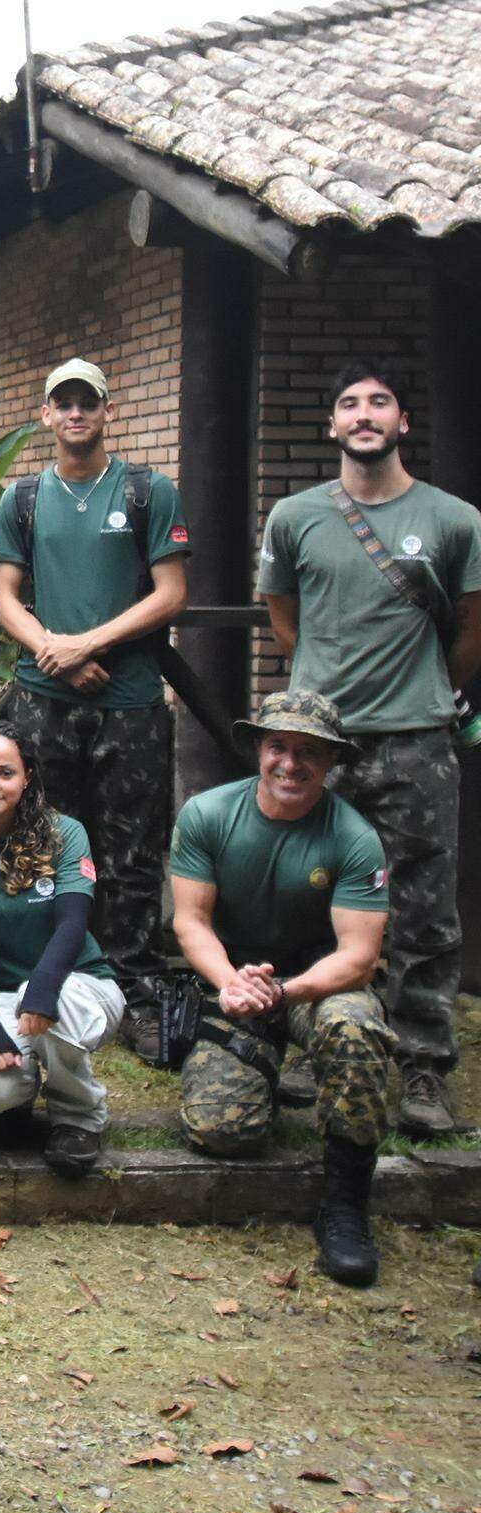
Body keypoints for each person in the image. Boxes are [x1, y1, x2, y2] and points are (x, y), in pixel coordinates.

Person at [258, 357, 481, 1138]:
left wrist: (421, 690)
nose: (364, 415)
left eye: (379, 403)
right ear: (331, 426)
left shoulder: (455, 520)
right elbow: (285, 617)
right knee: (305, 898)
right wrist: (325, 687)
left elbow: (471, 630)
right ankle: (304, 1041)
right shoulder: (295, 517)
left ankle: (422, 1067)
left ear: (401, 422)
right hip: (324, 742)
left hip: (418, 740)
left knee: (424, 911)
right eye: (349, 403)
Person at [0, 357, 188, 1063]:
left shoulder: (146, 491)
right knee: (43, 844)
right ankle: (50, 978)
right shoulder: (24, 499)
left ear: (108, 412)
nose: (75, 414)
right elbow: (5, 591)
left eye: (87, 403)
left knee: (133, 853)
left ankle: (136, 990)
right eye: (61, 403)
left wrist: (86, 643)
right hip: (43, 705)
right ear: (45, 415)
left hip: (130, 701)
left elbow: (170, 593)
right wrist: (51, 648)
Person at [168, 691, 395, 1287]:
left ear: (329, 761)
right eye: (278, 747)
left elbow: (360, 957)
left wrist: (285, 992)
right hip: (234, 982)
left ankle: (345, 1204)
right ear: (259, 751)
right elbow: (190, 921)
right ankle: (259, 1069)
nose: (290, 764)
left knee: (355, 1025)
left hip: (317, 985)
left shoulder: (354, 837)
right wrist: (229, 984)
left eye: (308, 753)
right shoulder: (207, 814)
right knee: (221, 1131)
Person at [0, 725, 124, 1178]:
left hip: (76, 984)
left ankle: (78, 1119)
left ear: (26, 778)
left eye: (6, 772)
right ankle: (15, 1103)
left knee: (52, 1011)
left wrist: (41, 991)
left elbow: (72, 922)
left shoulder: (66, 833)